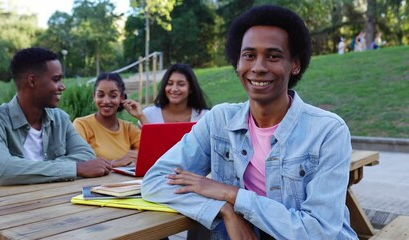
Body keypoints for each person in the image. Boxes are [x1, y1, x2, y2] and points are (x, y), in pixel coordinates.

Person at [142, 5, 357, 240]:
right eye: (249, 55)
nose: (258, 67)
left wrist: (232, 195)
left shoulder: (328, 131)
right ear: (237, 62)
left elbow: (320, 232)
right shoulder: (220, 120)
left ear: (294, 64)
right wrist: (224, 210)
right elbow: (155, 181)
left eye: (273, 56)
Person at [0, 47, 112, 186]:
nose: (63, 87)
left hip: (52, 201)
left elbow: (86, 156)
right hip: (3, 205)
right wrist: (75, 168)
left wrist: (24, 170)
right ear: (32, 81)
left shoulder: (60, 119)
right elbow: (2, 171)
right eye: (56, 80)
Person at [73, 72, 143, 167]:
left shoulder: (128, 128)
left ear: (121, 97)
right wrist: (115, 163)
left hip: (127, 181)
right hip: (95, 182)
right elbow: (79, 162)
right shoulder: (82, 125)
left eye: (113, 96)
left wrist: (140, 116)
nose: (106, 101)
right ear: (94, 97)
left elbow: (155, 152)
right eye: (101, 95)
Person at [135, 63, 209, 124]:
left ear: (191, 88)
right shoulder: (148, 115)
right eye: (170, 84)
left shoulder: (204, 117)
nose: (174, 89)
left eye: (181, 84)